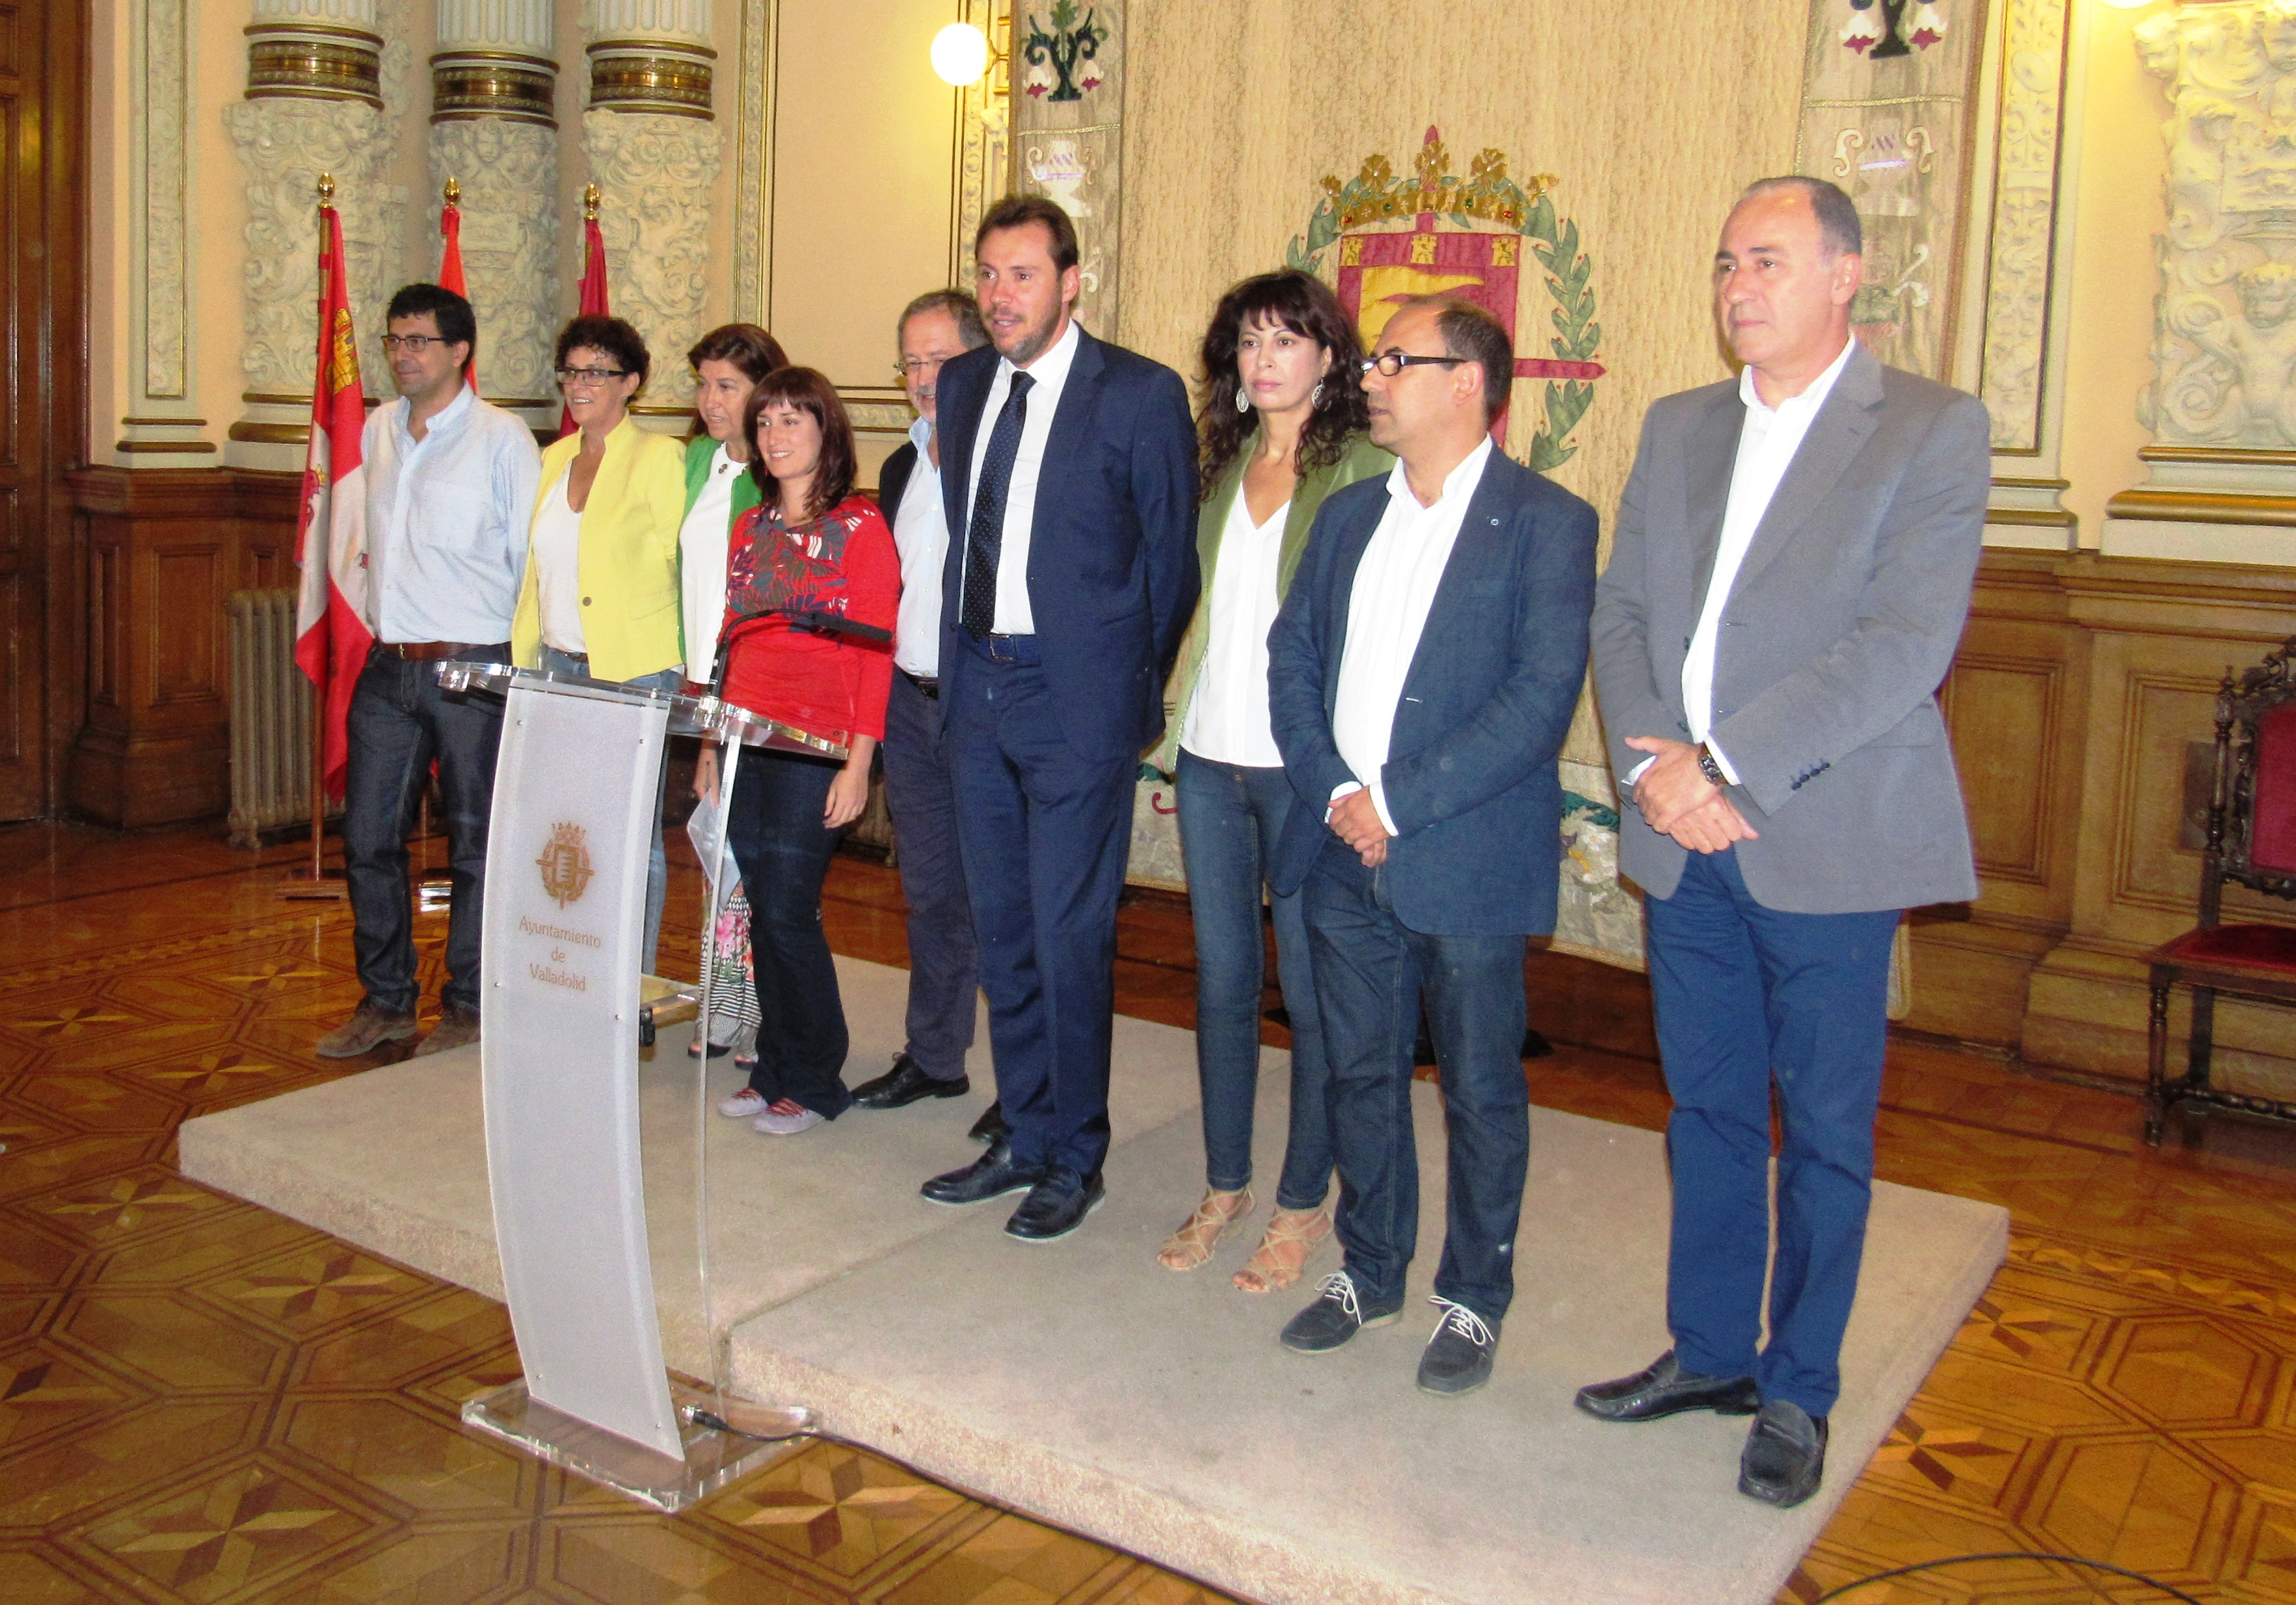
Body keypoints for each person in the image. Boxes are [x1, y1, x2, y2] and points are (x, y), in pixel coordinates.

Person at [1577, 176, 1988, 1509]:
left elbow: (1902, 647)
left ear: (1844, 273)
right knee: (1705, 1110)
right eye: (1723, 263)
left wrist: (1723, 765)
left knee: (1820, 1131)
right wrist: (1659, 770)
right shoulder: (1679, 423)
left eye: (1765, 261)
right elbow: (1622, 611)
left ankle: (1798, 1386)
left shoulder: (1928, 428)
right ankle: (1709, 1351)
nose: (1736, 287)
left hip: (1824, 836)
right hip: (1681, 834)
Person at [1264, 295, 1597, 1396]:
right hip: (1338, 848)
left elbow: (1537, 701)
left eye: (1393, 360)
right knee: (1358, 1071)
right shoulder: (1347, 515)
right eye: (1371, 360)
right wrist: (1335, 789)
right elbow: (1291, 660)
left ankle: (1475, 1296)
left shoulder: (1548, 522)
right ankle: (1370, 1268)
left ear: (1466, 382)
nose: (1369, 377)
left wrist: (1392, 802)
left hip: (1465, 857)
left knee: (1479, 1087)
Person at [916, 196, 1199, 1241]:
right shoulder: (962, 386)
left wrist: (1117, 691)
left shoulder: (1139, 394)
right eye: (988, 274)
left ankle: (1077, 1156)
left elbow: (1171, 567)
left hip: (1074, 702)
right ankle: (1024, 1134)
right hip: (977, 690)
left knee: (1068, 936)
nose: (1001, 296)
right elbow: (965, 537)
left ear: (1071, 282)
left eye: (1023, 275)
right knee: (1003, 930)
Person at [1152, 270, 1389, 1292]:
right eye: (1248, 342)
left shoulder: (1365, 468)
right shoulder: (1220, 465)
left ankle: (1302, 1200)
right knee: (1221, 980)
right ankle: (1225, 1184)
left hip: (1304, 769)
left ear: (1328, 357)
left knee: (1313, 992)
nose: (1263, 360)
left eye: (1285, 340)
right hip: (1211, 755)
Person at [318, 283, 540, 1060]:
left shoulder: (502, 438)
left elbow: (528, 559)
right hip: (390, 665)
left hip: (473, 666)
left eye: (419, 341)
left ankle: (470, 1005)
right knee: (368, 838)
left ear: (459, 351)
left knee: (476, 845)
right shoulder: (379, 427)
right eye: (394, 340)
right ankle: (385, 1001)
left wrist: (520, 669)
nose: (402, 354)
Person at [708, 367, 898, 1135]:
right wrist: (713, 742)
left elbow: (876, 655)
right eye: (764, 422)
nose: (774, 435)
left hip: (816, 744)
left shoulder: (860, 526)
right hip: (744, 735)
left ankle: (818, 1079)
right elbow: (731, 639)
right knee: (761, 907)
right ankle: (774, 1064)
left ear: (827, 430)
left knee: (789, 910)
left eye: (792, 419)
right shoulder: (749, 525)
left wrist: (858, 763)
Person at [847, 290, 993, 1119]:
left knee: (1004, 899)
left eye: (940, 359)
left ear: (979, 361)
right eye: (911, 361)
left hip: (984, 706)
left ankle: (1033, 1086)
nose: (924, 377)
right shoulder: (901, 467)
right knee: (931, 890)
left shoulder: (1003, 455)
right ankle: (935, 1055)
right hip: (909, 704)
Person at [511, 315, 687, 970]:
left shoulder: (659, 457)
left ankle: (631, 983)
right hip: (556, 668)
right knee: (567, 829)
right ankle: (577, 972)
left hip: (634, 671)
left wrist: (689, 667)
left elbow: (682, 567)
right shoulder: (553, 458)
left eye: (596, 372)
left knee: (630, 838)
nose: (579, 384)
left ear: (630, 383)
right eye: (571, 371)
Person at [679, 323, 790, 1064]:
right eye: (703, 384)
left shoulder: (777, 479)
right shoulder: (698, 461)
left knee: (750, 854)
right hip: (698, 677)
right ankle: (728, 1003)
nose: (711, 400)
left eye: (728, 386)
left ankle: (756, 1011)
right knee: (719, 848)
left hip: (750, 684)